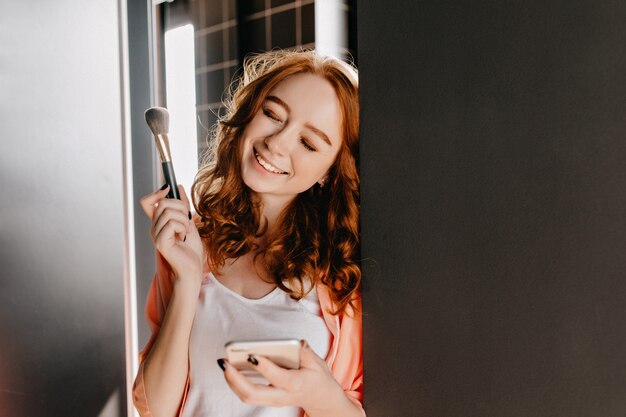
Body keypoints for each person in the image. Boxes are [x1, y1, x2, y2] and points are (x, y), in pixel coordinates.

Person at [133, 50, 363, 417]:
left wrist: (324, 397)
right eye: (272, 114)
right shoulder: (191, 245)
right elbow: (156, 408)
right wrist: (188, 279)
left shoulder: (343, 278)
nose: (277, 143)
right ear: (249, 114)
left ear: (330, 172)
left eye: (308, 143)